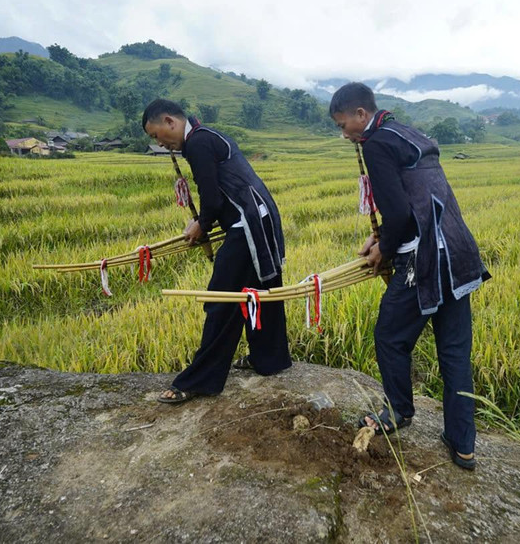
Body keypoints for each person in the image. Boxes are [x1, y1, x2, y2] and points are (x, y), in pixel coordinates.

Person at [329, 82, 489, 470]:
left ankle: (398, 411)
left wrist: (384, 247)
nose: (343, 132)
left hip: (426, 260)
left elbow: (400, 214)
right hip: (458, 252)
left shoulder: (377, 144)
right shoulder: (408, 133)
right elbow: (413, 203)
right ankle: (462, 444)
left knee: (389, 334)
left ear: (361, 116)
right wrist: (383, 234)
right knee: (454, 351)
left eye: (343, 123)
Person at [142, 99, 291, 403]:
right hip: (259, 219)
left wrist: (202, 224)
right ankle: (270, 358)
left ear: (170, 121)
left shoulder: (197, 143)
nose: (158, 142)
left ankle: (200, 380)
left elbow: (210, 198)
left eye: (156, 135)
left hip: (247, 226)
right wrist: (207, 222)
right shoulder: (206, 136)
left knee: (221, 300)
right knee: (261, 292)